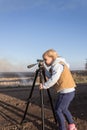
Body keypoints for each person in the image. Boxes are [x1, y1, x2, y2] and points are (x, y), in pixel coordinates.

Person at [39, 49, 77, 130]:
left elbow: (53, 79)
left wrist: (44, 85)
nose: (44, 61)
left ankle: (62, 128)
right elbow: (50, 75)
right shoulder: (59, 64)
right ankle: (72, 126)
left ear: (52, 58)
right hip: (69, 91)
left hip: (66, 92)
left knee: (58, 110)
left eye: (46, 59)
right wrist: (45, 68)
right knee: (64, 109)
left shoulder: (57, 65)